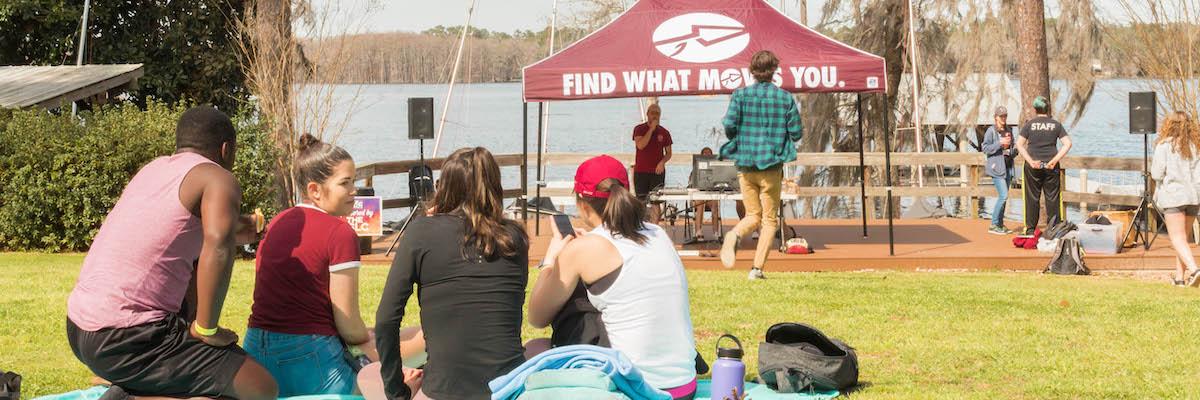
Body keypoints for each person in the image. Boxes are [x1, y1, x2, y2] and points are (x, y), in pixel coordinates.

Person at [65, 106, 277, 400]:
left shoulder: (154, 170)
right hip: (127, 338)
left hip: (79, 329)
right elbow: (219, 242)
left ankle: (131, 380)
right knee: (260, 388)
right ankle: (130, 395)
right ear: (226, 149)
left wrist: (242, 226)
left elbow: (180, 230)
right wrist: (206, 328)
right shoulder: (218, 178)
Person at [243, 134, 426, 396]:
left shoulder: (280, 220)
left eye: (354, 181)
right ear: (315, 190)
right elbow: (350, 328)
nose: (354, 190)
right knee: (423, 337)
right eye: (345, 183)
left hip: (256, 352)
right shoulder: (339, 233)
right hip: (309, 356)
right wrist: (368, 336)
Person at [527, 155, 699, 400]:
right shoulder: (657, 233)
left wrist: (553, 257)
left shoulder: (585, 249)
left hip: (637, 390)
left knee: (533, 350)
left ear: (582, 205)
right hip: (684, 387)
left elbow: (536, 317)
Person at [370, 147, 529, 400]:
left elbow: (386, 320)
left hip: (445, 389)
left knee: (366, 376)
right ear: (495, 187)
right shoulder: (515, 238)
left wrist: (396, 392)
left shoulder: (421, 232)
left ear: (444, 187)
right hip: (510, 386)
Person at [717, 50, 803, 280]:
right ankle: (757, 269)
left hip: (746, 165)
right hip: (771, 168)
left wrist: (742, 134)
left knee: (752, 214)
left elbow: (729, 126)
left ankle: (735, 234)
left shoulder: (740, 95)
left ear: (752, 71)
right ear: (774, 70)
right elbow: (796, 133)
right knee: (769, 220)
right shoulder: (784, 98)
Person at [1151, 111, 1200, 287]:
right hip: (1194, 197)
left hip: (1174, 196)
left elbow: (1156, 173)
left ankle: (1195, 270)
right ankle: (1180, 278)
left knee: (1177, 239)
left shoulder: (1164, 146)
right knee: (1183, 240)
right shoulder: (1196, 146)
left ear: (1169, 125)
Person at [1016, 96, 1073, 235]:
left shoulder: (1029, 125)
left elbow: (1019, 144)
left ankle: (1030, 230)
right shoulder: (1056, 125)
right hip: (1051, 166)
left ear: (1035, 109)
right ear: (1048, 109)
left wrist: (1030, 161)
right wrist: (1054, 160)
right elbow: (1068, 144)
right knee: (1053, 198)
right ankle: (1054, 229)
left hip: (1033, 166)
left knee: (1031, 198)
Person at [633, 103, 673, 222]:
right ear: (647, 114)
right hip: (641, 171)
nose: (655, 116)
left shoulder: (664, 132)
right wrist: (651, 129)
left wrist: (662, 162)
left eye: (657, 113)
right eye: (652, 113)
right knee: (641, 201)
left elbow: (669, 153)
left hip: (657, 172)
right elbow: (640, 145)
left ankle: (655, 227)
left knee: (656, 201)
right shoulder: (639, 129)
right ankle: (641, 227)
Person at [981, 106, 1018, 234]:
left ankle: (1000, 224)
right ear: (996, 117)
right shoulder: (991, 131)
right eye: (1001, 116)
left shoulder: (1009, 130)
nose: (1003, 118)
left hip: (1007, 167)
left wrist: (1016, 149)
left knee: (1004, 197)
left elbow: (1012, 150)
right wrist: (999, 144)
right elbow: (985, 148)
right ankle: (993, 224)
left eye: (1005, 116)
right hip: (996, 168)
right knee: (1003, 195)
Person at [688, 147, 723, 242]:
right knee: (700, 203)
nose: (707, 155)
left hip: (710, 196)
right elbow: (690, 184)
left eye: (709, 153)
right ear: (701, 155)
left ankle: (716, 233)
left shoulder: (716, 170)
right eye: (705, 153)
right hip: (698, 197)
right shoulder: (695, 169)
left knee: (715, 204)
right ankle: (698, 231)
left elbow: (720, 183)